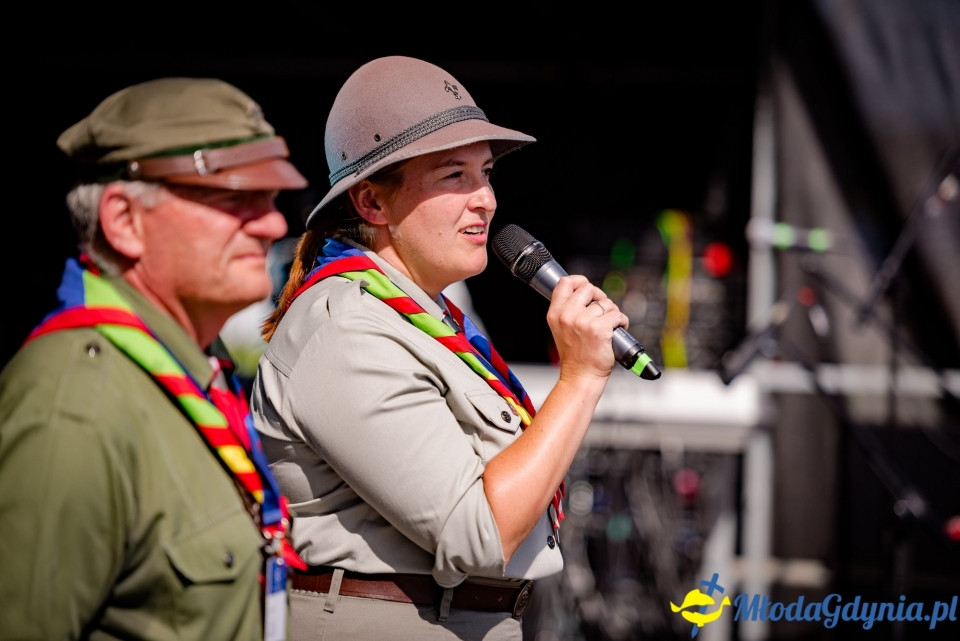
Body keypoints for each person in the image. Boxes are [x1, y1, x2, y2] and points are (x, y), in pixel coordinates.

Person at [251, 56, 628, 641]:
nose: (486, 199)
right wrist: (580, 378)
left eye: (485, 173)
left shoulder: (421, 317)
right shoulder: (347, 328)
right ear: (372, 203)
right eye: (455, 176)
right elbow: (480, 535)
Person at [0, 77, 309, 641]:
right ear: (124, 219)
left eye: (269, 197)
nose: (274, 223)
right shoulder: (74, 408)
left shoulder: (195, 366)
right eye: (232, 197)